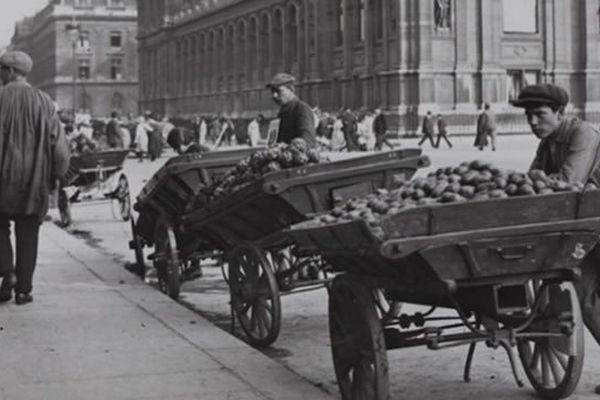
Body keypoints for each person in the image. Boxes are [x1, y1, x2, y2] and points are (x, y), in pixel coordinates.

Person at [512, 83, 600, 394]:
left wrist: (529, 183)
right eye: (528, 116)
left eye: (539, 114)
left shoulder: (583, 135)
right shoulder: (547, 143)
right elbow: (529, 181)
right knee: (587, 300)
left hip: (594, 220)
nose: (533, 122)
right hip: (585, 227)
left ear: (560, 113)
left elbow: (568, 182)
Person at [0, 51, 70, 305]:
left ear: (8, 72)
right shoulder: (44, 101)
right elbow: (59, 148)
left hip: (1, 180)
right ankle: (24, 290)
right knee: (28, 233)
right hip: (34, 181)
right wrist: (57, 176)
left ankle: (8, 274)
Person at [266, 72, 316, 147]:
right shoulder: (282, 113)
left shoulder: (301, 109)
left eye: (278, 91)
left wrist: (285, 148)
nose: (274, 95)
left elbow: (308, 142)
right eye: (272, 91)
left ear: (291, 90)